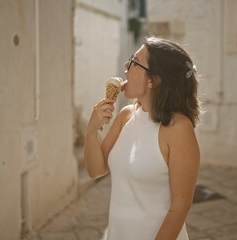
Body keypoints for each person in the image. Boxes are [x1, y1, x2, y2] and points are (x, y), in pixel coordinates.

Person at [84, 37, 200, 240]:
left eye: (134, 62)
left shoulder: (179, 128)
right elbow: (95, 170)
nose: (125, 66)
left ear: (153, 80)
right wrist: (91, 130)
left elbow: (180, 206)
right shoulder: (125, 116)